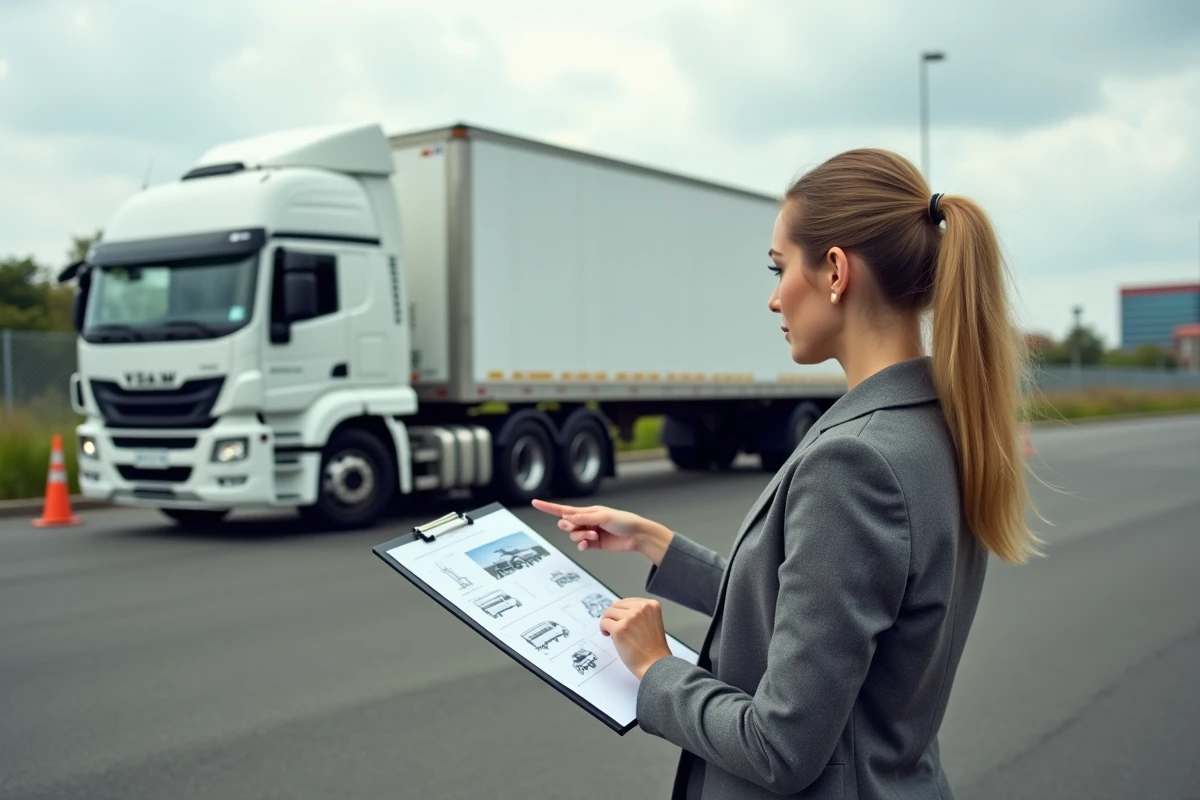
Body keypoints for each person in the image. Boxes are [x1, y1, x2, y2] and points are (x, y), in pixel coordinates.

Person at [532, 148, 1041, 799]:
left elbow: (780, 747)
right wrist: (656, 543)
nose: (774, 299)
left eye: (779, 268)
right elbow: (818, 613)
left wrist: (656, 668)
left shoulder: (855, 463)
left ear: (836, 271)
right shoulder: (934, 424)